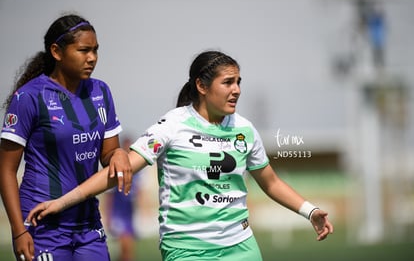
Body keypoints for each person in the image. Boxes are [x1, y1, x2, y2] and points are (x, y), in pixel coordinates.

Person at [26, 50, 334, 261]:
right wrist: (61, 202)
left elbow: (271, 183)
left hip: (240, 245)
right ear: (201, 85)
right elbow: (117, 172)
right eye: (228, 82)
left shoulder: (245, 130)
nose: (237, 89)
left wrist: (310, 211)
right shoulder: (173, 125)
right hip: (186, 248)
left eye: (239, 82)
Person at [0, 14, 132, 261]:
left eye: (95, 50)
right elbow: (5, 170)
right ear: (56, 52)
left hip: (88, 225)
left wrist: (120, 154)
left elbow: (108, 156)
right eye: (83, 50)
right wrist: (18, 231)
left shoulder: (101, 91)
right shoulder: (28, 98)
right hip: (41, 225)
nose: (92, 58)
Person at [104, 136, 142, 261]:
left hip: (129, 214)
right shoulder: (116, 170)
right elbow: (109, 195)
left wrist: (141, 208)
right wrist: (108, 216)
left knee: (128, 250)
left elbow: (139, 192)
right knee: (126, 248)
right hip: (118, 214)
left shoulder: (136, 171)